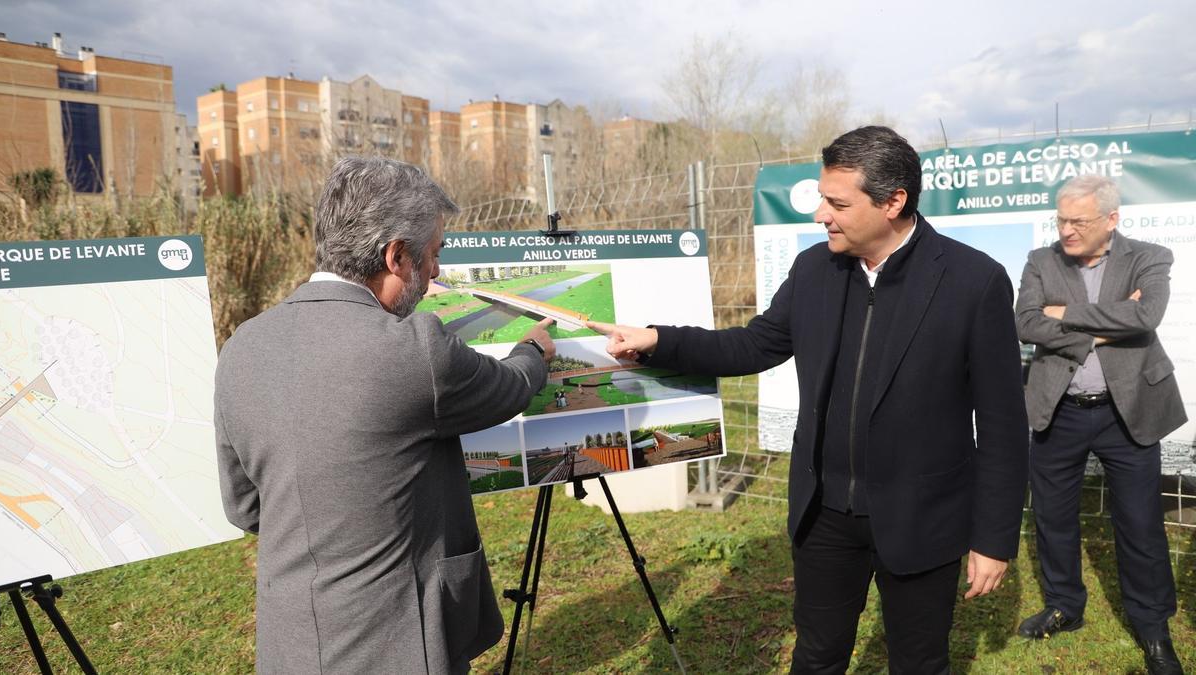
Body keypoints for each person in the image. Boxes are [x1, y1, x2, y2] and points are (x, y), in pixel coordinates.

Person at [589, 126, 1028, 674]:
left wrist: (993, 538)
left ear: (894, 202)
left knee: (920, 662)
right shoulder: (814, 269)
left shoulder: (973, 280)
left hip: (922, 516)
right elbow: (754, 343)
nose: (821, 214)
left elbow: (1004, 421)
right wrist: (659, 339)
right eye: (823, 198)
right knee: (817, 656)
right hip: (824, 515)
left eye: (837, 203)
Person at [214, 157, 555, 674]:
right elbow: (506, 388)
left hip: (292, 646)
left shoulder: (242, 347)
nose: (437, 272)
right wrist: (534, 352)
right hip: (398, 644)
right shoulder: (415, 350)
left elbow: (245, 509)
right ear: (397, 255)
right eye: (434, 254)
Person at [1015, 175, 1185, 674]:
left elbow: (1148, 314)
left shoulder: (1149, 256)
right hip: (1060, 410)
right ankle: (1065, 605)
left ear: (1111, 219)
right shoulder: (1040, 261)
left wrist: (1065, 315)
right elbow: (1025, 322)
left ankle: (1153, 628)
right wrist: (1104, 330)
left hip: (1126, 410)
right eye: (1061, 219)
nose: (1066, 230)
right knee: (1053, 518)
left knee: (1140, 525)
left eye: (1078, 221)